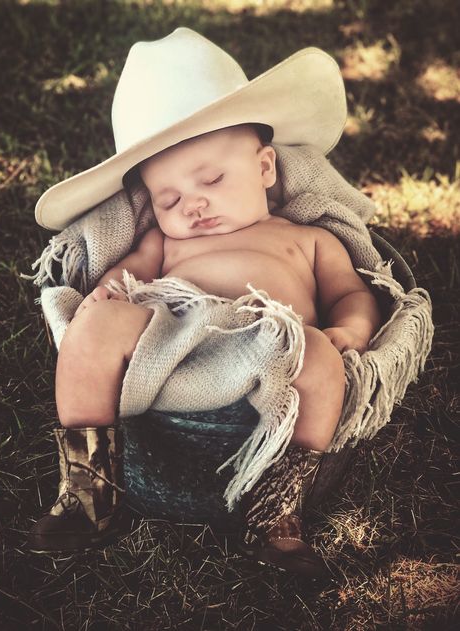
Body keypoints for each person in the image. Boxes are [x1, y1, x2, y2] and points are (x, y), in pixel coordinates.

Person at [27, 29, 381, 578]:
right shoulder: (167, 241)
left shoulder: (306, 239)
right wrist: (107, 292)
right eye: (167, 198)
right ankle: (89, 488)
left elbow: (352, 293)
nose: (192, 204)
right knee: (93, 326)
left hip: (271, 344)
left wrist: (350, 333)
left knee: (321, 360)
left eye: (213, 179)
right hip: (172, 336)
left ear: (265, 169)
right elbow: (131, 276)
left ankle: (279, 508)